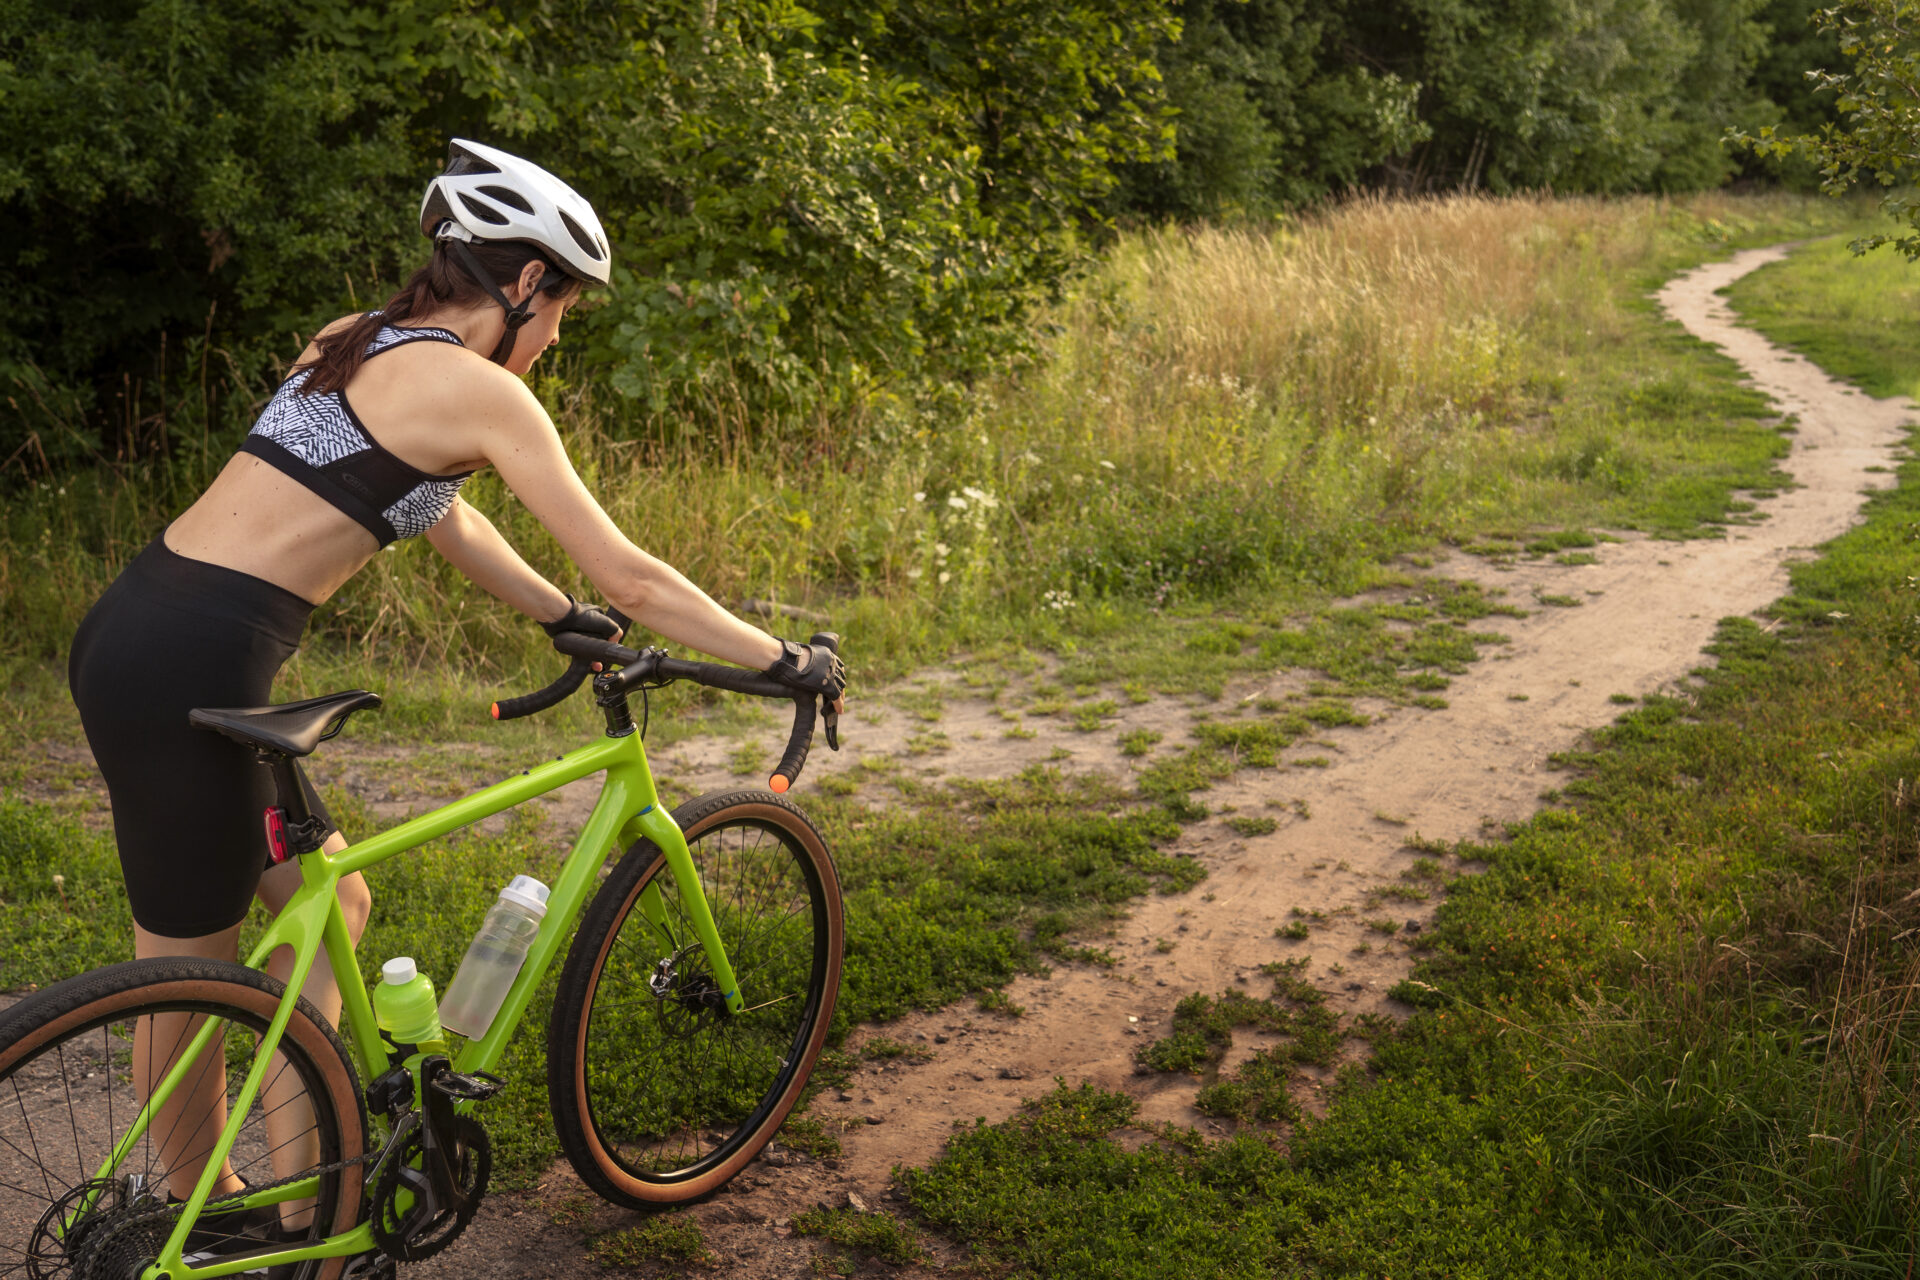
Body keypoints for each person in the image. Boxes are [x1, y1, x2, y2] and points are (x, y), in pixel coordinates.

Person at [65, 138, 846, 1257]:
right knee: (184, 978)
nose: (562, 334)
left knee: (328, 909)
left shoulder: (350, 341)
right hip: (193, 664)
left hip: (137, 625)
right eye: (564, 306)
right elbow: (634, 574)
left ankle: (303, 1200)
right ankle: (187, 1229)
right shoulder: (481, 390)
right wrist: (782, 657)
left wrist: (550, 610)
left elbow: (430, 504)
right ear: (525, 282)